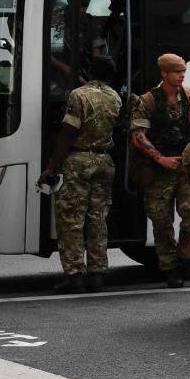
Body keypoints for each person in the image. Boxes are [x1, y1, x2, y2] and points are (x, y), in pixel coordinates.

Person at [37, 56, 121, 294]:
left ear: (90, 71)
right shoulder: (115, 97)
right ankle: (97, 273)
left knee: (72, 220)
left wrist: (52, 166)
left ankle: (75, 274)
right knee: (98, 220)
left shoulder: (78, 95)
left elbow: (68, 132)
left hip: (79, 162)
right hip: (104, 161)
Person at [130, 54, 190, 288]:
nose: (181, 75)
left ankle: (187, 259)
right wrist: (161, 159)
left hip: (185, 167)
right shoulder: (148, 101)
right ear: (164, 73)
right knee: (161, 220)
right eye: (176, 71)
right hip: (159, 170)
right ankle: (169, 266)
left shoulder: (189, 96)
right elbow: (138, 137)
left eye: (182, 71)